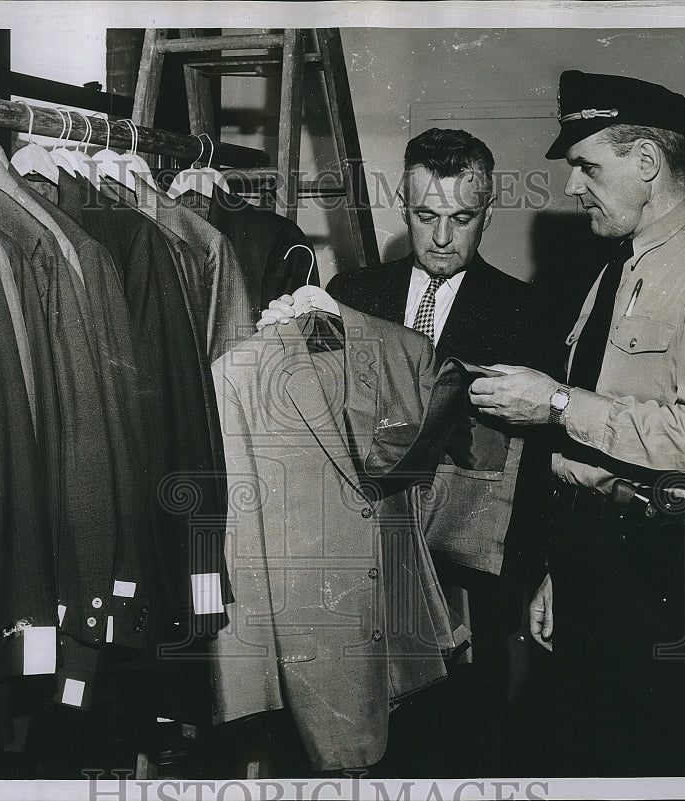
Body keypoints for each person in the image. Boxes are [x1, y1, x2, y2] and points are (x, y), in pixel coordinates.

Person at [466, 70, 685, 775]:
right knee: (584, 755)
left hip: (671, 570)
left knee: (660, 762)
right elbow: (602, 438)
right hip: (600, 561)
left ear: (646, 164)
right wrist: (560, 571)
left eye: (586, 165)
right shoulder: (619, 266)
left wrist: (554, 403)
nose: (573, 186)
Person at [261, 128, 548, 777]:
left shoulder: (527, 314)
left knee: (463, 748)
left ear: (487, 211)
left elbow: (532, 473)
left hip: (466, 583)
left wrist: (537, 577)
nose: (442, 236)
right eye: (425, 216)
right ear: (404, 207)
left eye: (461, 218)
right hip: (368, 577)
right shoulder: (353, 294)